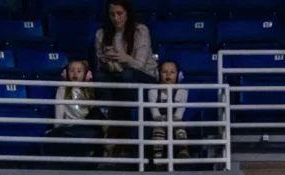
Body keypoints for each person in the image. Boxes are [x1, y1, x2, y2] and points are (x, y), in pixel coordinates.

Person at [93, 0, 158, 157]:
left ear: (127, 14)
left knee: (127, 75)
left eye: (119, 14)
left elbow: (140, 65)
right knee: (101, 76)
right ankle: (106, 117)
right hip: (118, 76)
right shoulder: (101, 34)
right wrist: (108, 61)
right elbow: (104, 66)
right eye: (112, 14)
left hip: (145, 77)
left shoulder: (140, 31)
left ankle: (118, 126)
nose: (116, 18)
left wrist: (123, 58)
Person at [49, 60, 102, 157]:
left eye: (79, 71)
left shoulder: (90, 89)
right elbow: (59, 109)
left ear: (86, 75)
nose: (75, 74)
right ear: (66, 73)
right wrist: (57, 127)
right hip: (71, 126)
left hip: (87, 125)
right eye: (71, 71)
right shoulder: (63, 89)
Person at [149, 61, 189, 165]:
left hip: (176, 121)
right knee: (158, 127)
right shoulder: (152, 91)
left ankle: (183, 152)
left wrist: (171, 120)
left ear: (178, 75)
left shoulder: (183, 91)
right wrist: (164, 119)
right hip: (159, 121)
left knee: (178, 123)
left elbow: (179, 114)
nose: (168, 75)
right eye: (164, 72)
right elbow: (155, 115)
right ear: (158, 74)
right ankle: (158, 161)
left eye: (172, 72)